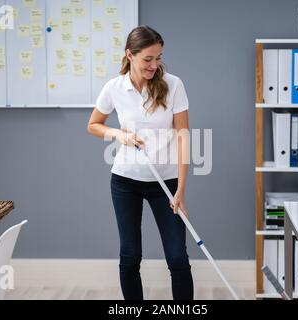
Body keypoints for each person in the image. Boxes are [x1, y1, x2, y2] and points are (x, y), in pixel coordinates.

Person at [87, 25, 193, 300]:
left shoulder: (173, 84)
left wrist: (181, 188)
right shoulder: (115, 87)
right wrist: (118, 134)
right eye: (148, 59)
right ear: (130, 55)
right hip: (125, 181)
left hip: (166, 183)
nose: (154, 65)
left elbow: (183, 137)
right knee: (130, 255)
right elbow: (94, 125)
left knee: (178, 257)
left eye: (158, 58)